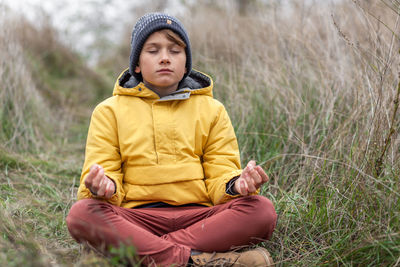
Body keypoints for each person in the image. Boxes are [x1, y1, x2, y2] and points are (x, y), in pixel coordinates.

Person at [66, 12, 277, 267]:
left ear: (186, 62)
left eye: (175, 50)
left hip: (200, 219)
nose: (165, 57)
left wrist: (237, 185)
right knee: (82, 215)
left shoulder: (213, 110)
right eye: (153, 50)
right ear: (136, 64)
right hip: (136, 219)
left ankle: (139, 253)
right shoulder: (108, 111)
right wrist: (104, 187)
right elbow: (102, 172)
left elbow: (221, 173)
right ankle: (195, 261)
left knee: (261, 211)